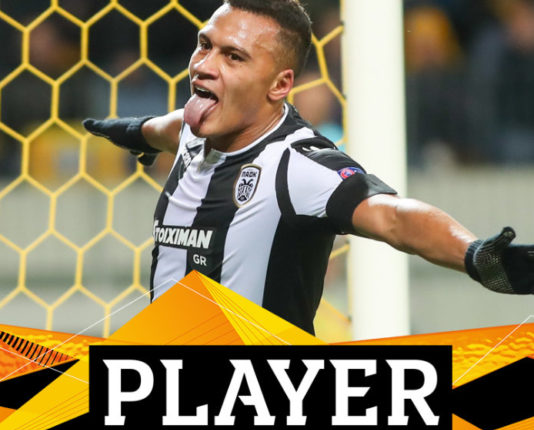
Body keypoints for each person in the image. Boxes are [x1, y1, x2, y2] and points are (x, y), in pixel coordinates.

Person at [83, 0, 534, 334]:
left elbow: (395, 217)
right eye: (205, 45)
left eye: (233, 57)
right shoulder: (195, 126)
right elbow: (170, 128)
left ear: (280, 85)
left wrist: (473, 255)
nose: (204, 66)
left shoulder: (297, 165)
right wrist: (132, 131)